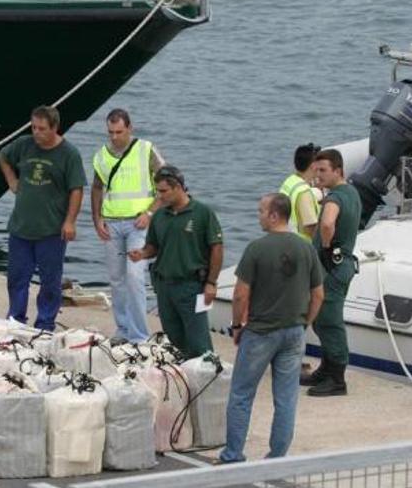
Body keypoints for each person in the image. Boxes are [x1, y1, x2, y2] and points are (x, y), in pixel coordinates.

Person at [220, 193, 324, 464]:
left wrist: (236, 325)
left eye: (261, 211)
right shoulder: (306, 248)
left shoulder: (256, 248)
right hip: (293, 332)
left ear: (274, 215)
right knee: (286, 398)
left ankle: (233, 454)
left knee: (242, 394)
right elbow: (319, 295)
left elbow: (241, 294)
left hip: (261, 332)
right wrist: (305, 323)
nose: (259, 216)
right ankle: (277, 457)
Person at [0, 105, 86, 331]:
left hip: (51, 230)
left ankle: (45, 323)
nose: (37, 133)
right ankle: (16, 319)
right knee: (17, 277)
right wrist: (11, 180)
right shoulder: (24, 145)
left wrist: (70, 221)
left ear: (55, 128)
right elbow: (3, 156)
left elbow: (76, 189)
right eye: (33, 127)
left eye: (42, 129)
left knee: (50, 281)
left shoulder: (69, 154)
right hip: (21, 227)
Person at [128, 166, 223, 358]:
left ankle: (206, 374)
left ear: (178, 187)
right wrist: (142, 254)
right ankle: (186, 375)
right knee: (173, 337)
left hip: (191, 286)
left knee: (198, 341)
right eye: (157, 192)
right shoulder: (160, 216)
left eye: (163, 191)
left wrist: (211, 283)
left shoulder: (202, 213)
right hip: (164, 286)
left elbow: (217, 248)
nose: (159, 197)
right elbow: (153, 246)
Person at [91, 108, 165, 343]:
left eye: (119, 132)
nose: (114, 137)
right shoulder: (102, 155)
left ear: (130, 128)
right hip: (112, 223)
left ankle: (139, 336)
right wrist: (97, 219)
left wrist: (150, 212)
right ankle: (123, 329)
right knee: (117, 278)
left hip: (138, 224)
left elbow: (169, 183)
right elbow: (96, 187)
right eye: (110, 132)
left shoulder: (146, 150)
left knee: (134, 276)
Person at [300, 149, 362, 396]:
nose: (318, 175)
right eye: (316, 170)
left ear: (339, 170)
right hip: (342, 265)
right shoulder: (352, 193)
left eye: (323, 170)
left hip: (332, 267)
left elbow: (327, 223)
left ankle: (337, 379)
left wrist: (327, 248)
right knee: (322, 319)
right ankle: (326, 369)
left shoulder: (334, 197)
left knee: (328, 320)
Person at [278, 143, 321, 241]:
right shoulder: (304, 193)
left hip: (285, 241)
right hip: (302, 248)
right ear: (313, 166)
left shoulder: (289, 181)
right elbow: (310, 228)